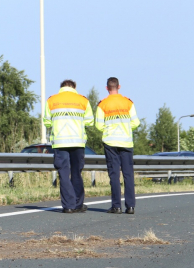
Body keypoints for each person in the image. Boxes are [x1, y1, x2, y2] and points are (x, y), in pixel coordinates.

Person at [43, 79, 94, 213]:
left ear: (61, 87)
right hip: (77, 142)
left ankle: (68, 206)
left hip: (60, 142)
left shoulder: (52, 100)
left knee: (64, 174)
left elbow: (47, 122)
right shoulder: (83, 100)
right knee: (76, 173)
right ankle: (78, 204)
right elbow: (89, 122)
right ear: (74, 87)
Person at [95, 77, 140, 214]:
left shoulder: (102, 104)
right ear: (119, 87)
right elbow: (136, 123)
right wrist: (125, 128)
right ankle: (130, 206)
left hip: (110, 142)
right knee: (128, 174)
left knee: (114, 175)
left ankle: (116, 206)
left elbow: (98, 125)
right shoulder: (128, 103)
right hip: (126, 142)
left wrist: (109, 130)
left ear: (106, 88)